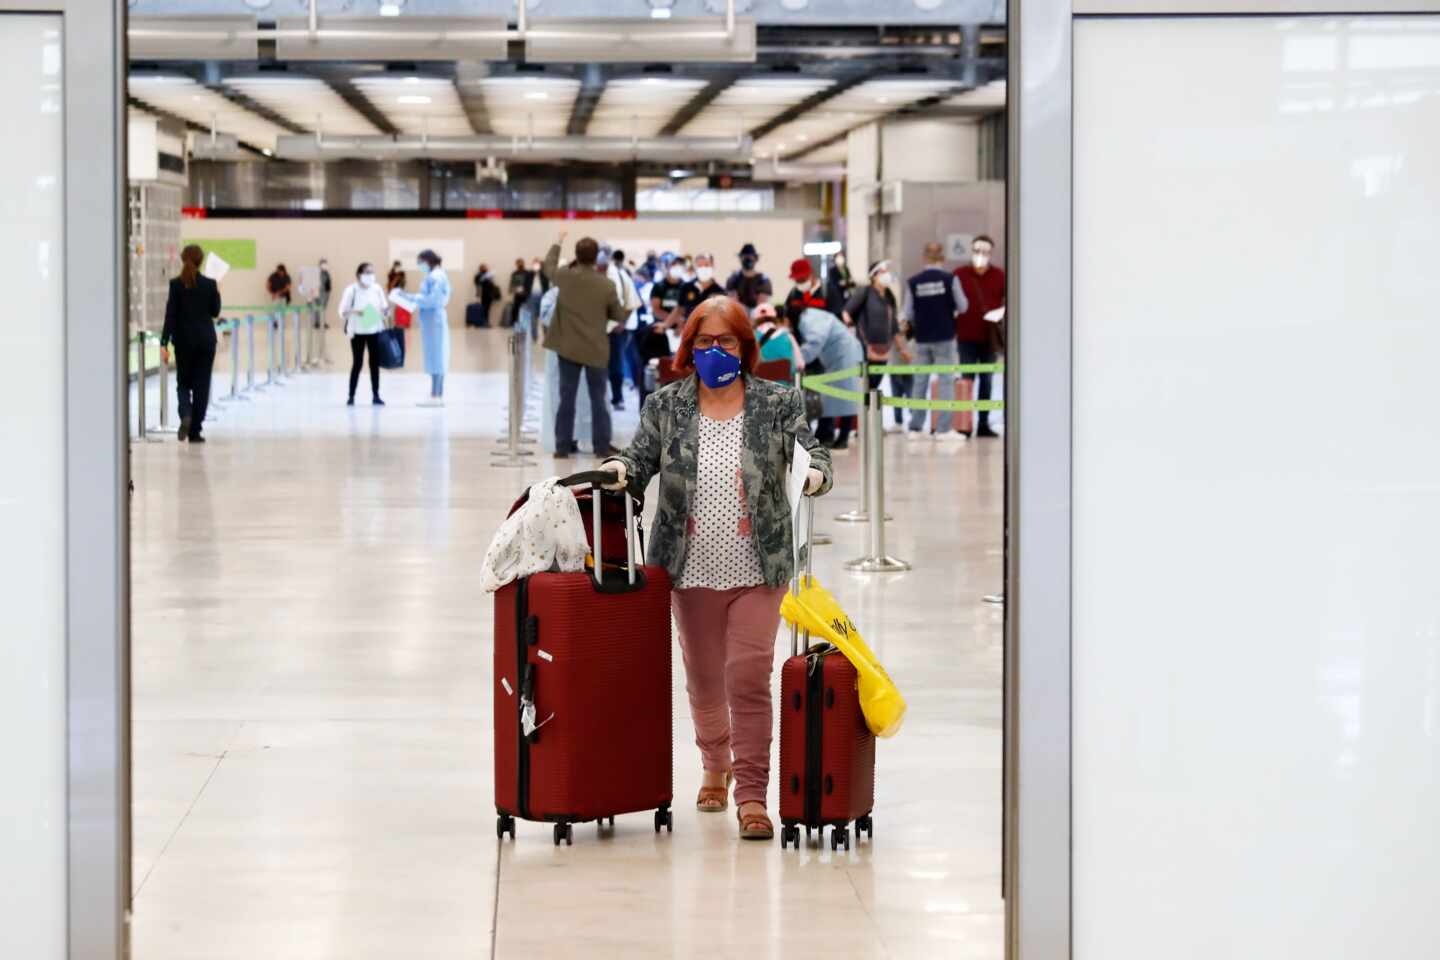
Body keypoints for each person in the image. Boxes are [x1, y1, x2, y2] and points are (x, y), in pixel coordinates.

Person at [600, 296, 833, 842]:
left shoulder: (777, 401)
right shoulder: (667, 404)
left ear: (744, 346)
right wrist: (618, 469)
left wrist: (815, 477)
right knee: (705, 679)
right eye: (703, 341)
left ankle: (752, 794)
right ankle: (714, 764)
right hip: (689, 566)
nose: (714, 351)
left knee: (748, 676)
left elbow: (813, 454)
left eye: (725, 341)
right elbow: (639, 461)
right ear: (689, 347)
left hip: (761, 563)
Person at [542, 232, 627, 458]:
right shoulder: (606, 285)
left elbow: (548, 266)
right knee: (598, 399)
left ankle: (562, 447)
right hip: (596, 351)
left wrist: (557, 242)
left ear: (576, 256)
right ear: (595, 257)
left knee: (566, 399)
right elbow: (618, 315)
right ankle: (601, 447)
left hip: (567, 348)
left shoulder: (564, 277)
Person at [902, 241, 969, 442]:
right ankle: (943, 429)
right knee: (946, 382)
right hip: (945, 337)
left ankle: (915, 427)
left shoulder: (913, 282)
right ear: (943, 258)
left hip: (922, 339)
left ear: (924, 258)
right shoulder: (950, 279)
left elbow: (908, 313)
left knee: (919, 383)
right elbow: (963, 306)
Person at [160, 244, 221, 444]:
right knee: (202, 386)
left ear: (182, 259)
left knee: (184, 383)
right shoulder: (210, 284)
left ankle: (186, 413)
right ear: (201, 260)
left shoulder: (176, 284)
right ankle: (195, 430)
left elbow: (170, 315)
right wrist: (217, 291)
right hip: (206, 342)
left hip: (184, 342)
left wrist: (164, 342)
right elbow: (215, 312)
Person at [844, 260, 913, 428]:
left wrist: (902, 348)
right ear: (873, 276)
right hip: (865, 350)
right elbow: (847, 313)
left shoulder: (889, 296)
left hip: (884, 351)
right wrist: (857, 342)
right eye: (883, 271)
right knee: (864, 388)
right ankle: (860, 426)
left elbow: (894, 326)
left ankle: (871, 425)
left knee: (874, 389)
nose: (887, 274)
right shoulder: (865, 292)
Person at [953, 235, 1005, 438]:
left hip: (989, 338)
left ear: (990, 253)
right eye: (977, 251)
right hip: (966, 336)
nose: (980, 256)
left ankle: (983, 423)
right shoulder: (959, 274)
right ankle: (964, 424)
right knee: (966, 380)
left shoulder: (999, 275)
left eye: (985, 252)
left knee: (987, 380)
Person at [795, 306, 863, 449]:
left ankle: (843, 437)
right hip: (838, 356)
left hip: (845, 356)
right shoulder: (812, 316)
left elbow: (815, 341)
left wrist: (798, 358)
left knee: (847, 397)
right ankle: (828, 435)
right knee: (834, 399)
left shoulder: (811, 319)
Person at [337, 262, 389, 407]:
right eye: (367, 272)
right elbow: (342, 312)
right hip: (357, 332)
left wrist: (385, 311)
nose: (370, 275)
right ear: (359, 275)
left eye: (372, 272)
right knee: (357, 363)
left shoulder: (377, 289)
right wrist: (355, 311)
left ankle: (376, 395)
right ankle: (351, 396)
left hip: (374, 331)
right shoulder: (351, 290)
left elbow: (384, 308)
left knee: (374, 364)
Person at [414, 248, 452, 405]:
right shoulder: (435, 275)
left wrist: (412, 298)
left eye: (420, 262)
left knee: (437, 356)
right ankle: (436, 393)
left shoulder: (437, 276)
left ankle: (436, 395)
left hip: (434, 319)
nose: (419, 265)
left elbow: (433, 299)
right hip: (431, 320)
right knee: (435, 355)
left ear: (427, 260)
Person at [606, 249, 642, 410]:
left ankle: (617, 398)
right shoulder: (596, 275)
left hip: (618, 330)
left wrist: (621, 322)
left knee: (616, 363)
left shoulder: (620, 275)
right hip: (601, 328)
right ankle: (606, 398)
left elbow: (632, 301)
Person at [753, 302, 801, 381]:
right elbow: (800, 365)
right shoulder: (788, 336)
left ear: (755, 319)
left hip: (758, 389)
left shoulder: (750, 337)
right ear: (775, 317)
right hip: (784, 390)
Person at [725, 242, 772, 310]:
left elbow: (761, 303)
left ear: (756, 259)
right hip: (739, 313)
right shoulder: (734, 278)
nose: (748, 259)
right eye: (745, 256)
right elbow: (733, 301)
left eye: (750, 256)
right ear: (740, 258)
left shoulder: (763, 279)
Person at [678, 253, 726, 319]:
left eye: (706, 265)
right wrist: (666, 324)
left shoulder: (720, 291)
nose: (703, 269)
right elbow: (679, 309)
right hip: (689, 326)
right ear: (695, 268)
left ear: (713, 266)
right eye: (700, 266)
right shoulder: (686, 287)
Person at [783, 257, 828, 322]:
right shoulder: (793, 294)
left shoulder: (826, 291)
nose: (800, 283)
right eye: (797, 281)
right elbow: (787, 315)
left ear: (811, 275)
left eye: (802, 280)